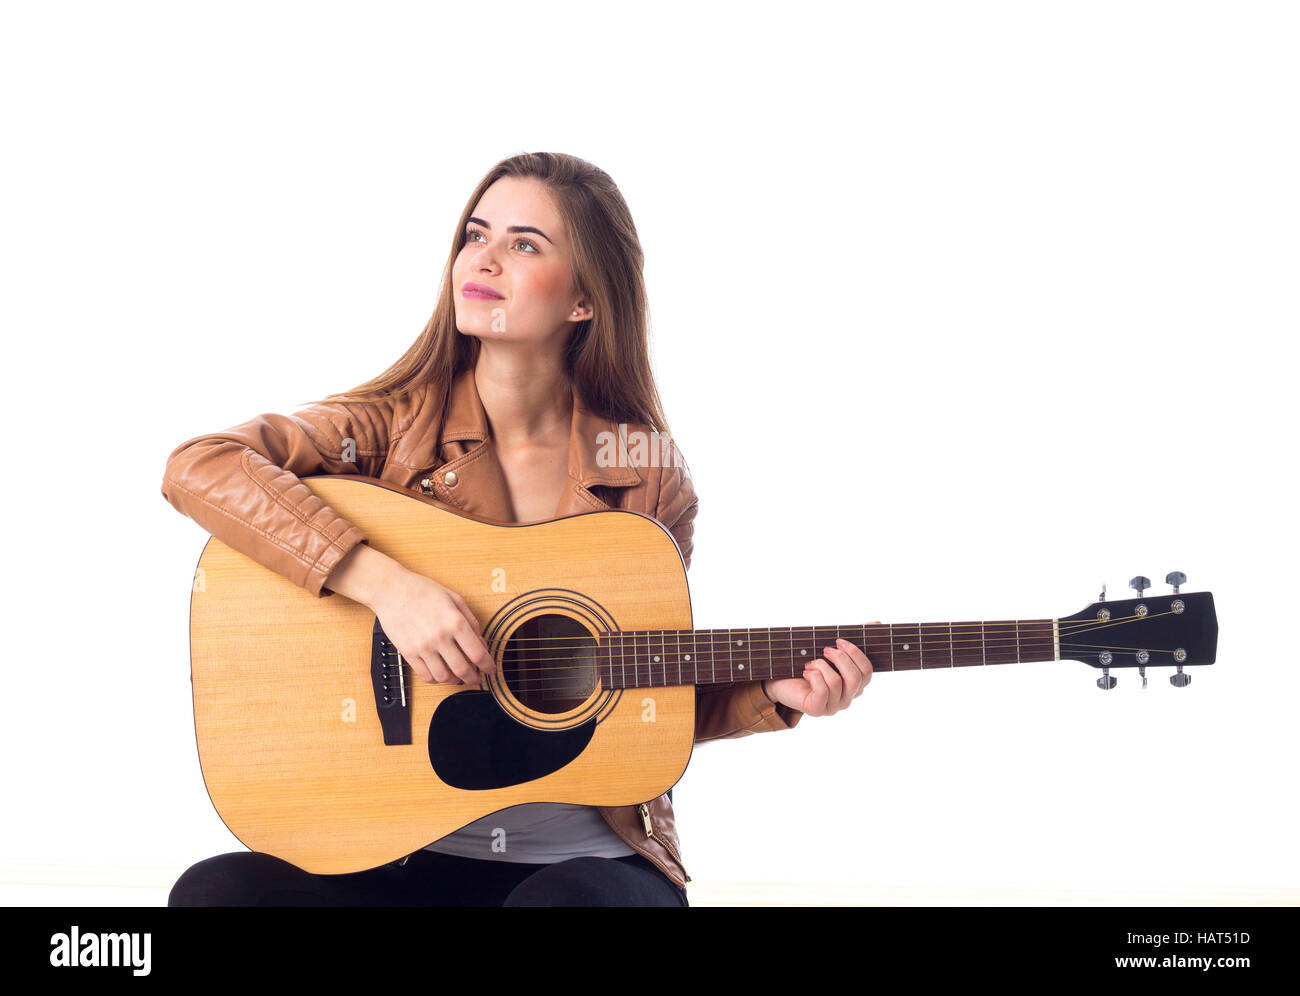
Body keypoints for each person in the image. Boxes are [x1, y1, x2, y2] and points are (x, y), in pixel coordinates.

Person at [161, 151, 871, 906]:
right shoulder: (388, 426)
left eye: (525, 244)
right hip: (399, 847)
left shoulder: (645, 472)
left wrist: (774, 693)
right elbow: (199, 465)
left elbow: (641, 693)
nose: (485, 258)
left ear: (585, 300)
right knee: (218, 895)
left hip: (580, 866)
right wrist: (388, 588)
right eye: (476, 233)